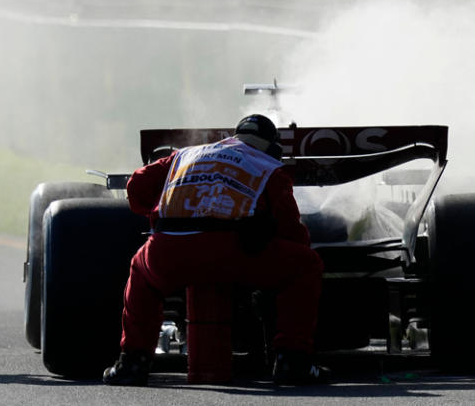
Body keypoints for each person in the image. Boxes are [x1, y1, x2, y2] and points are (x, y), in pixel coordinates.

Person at [102, 114, 329, 386]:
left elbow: (136, 186)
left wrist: (157, 212)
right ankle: (293, 360)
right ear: (272, 147)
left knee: (141, 269)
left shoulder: (185, 155)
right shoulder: (268, 166)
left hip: (169, 248)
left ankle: (132, 362)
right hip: (233, 251)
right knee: (306, 265)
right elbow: (291, 231)